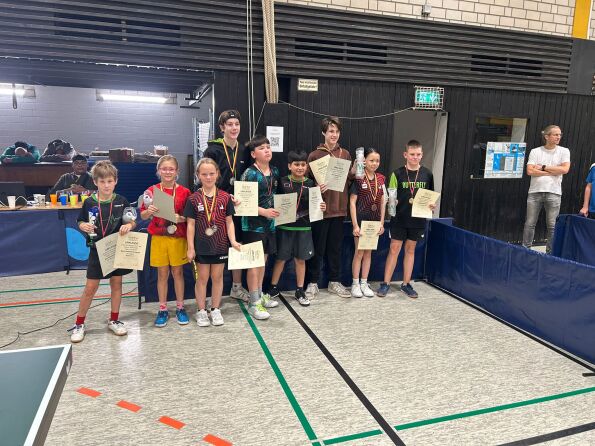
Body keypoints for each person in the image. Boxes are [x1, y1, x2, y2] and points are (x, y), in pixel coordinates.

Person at [69, 161, 136, 343]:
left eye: (110, 181)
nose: (106, 185)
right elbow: (80, 221)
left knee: (117, 284)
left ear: (116, 181)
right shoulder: (89, 202)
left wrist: (129, 226)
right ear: (95, 182)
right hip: (97, 249)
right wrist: (83, 225)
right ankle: (79, 323)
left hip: (117, 248)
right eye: (102, 182)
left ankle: (114, 319)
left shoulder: (122, 201)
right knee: (90, 288)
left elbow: (132, 221)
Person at [184, 158, 241, 326]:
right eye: (204, 174)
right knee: (202, 279)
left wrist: (233, 241)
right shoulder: (193, 199)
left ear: (217, 174)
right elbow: (190, 225)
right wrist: (190, 248)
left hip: (220, 245)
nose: (208, 177)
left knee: (217, 277)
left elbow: (229, 222)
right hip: (202, 247)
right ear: (198, 175)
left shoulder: (225, 197)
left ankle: (215, 309)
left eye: (211, 173)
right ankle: (201, 311)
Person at [377, 140, 434, 298]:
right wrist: (391, 204)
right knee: (394, 249)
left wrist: (432, 205)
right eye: (412, 154)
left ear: (422, 155)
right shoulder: (396, 174)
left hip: (417, 220)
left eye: (418, 154)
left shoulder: (428, 174)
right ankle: (385, 283)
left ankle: (406, 284)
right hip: (399, 219)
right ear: (405, 155)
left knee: (410, 250)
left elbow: (431, 197)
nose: (415, 157)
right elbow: (390, 196)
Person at [203, 110, 250, 303]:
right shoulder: (213, 151)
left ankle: (237, 287)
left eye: (236, 124)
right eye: (229, 124)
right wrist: (223, 196)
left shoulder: (245, 149)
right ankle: (211, 293)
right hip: (217, 206)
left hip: (239, 206)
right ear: (222, 127)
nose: (234, 128)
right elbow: (206, 178)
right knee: (216, 247)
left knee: (237, 244)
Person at [268, 151, 326, 306]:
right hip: (285, 227)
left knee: (300, 260)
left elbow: (317, 205)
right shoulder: (282, 182)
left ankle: (300, 290)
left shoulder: (311, 184)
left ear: (306, 166)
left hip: (304, 228)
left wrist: (321, 206)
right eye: (296, 164)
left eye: (303, 164)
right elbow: (274, 202)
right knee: (280, 258)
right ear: (289, 166)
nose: (300, 167)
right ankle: (273, 288)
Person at [140, 155, 192, 327]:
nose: (168, 172)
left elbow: (190, 217)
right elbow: (143, 215)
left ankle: (180, 307)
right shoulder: (151, 191)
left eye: (171, 169)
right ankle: (162, 309)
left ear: (177, 171)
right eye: (164, 169)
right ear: (158, 171)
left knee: (178, 273)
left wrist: (180, 218)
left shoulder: (185, 192)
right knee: (162, 274)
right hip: (159, 238)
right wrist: (149, 211)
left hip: (177, 238)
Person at [306, 116, 354, 299]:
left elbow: (348, 180)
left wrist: (353, 171)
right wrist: (316, 187)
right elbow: (307, 183)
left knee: (335, 249)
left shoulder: (345, 154)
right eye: (331, 131)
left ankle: (334, 281)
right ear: (323, 133)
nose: (334, 134)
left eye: (337, 131)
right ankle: (312, 283)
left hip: (339, 209)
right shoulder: (314, 155)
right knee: (317, 249)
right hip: (321, 210)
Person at [240, 135, 280, 320]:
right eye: (262, 148)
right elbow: (243, 203)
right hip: (252, 226)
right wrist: (264, 212)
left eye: (268, 147)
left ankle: (260, 295)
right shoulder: (249, 174)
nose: (267, 150)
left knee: (263, 263)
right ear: (253, 154)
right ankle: (253, 302)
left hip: (269, 225)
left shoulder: (275, 171)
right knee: (254, 265)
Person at [522, 125, 570, 254]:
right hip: (535, 191)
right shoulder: (535, 151)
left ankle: (550, 253)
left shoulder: (564, 151)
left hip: (554, 192)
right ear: (547, 136)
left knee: (552, 225)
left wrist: (543, 167)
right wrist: (553, 171)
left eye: (560, 134)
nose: (558, 137)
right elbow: (530, 171)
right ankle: (525, 250)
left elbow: (565, 169)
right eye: (555, 134)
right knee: (530, 223)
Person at [349, 148, 385, 298]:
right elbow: (352, 203)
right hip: (361, 221)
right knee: (359, 253)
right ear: (364, 161)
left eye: (377, 161)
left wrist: (381, 223)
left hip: (374, 222)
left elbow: (383, 202)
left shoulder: (381, 178)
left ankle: (364, 282)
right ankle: (355, 284)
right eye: (371, 160)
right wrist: (355, 225)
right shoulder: (359, 178)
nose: (374, 163)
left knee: (368, 253)